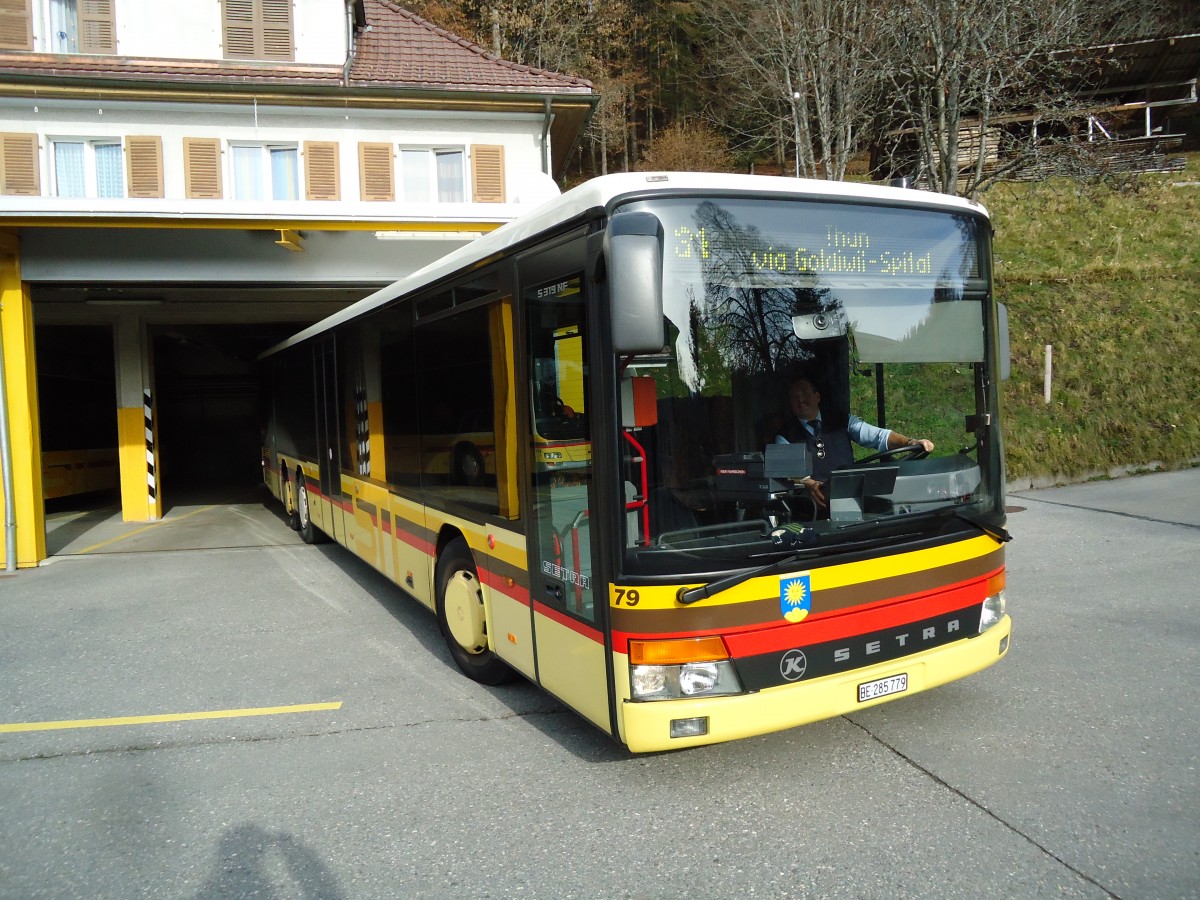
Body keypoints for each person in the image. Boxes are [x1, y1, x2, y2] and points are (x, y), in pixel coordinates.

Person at [775, 375, 933, 514]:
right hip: (817, 506)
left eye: (804, 392)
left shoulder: (842, 421)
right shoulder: (785, 436)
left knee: (891, 509)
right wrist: (807, 483)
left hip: (854, 496)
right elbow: (788, 470)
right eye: (794, 396)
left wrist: (910, 442)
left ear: (817, 397)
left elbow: (878, 436)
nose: (800, 399)